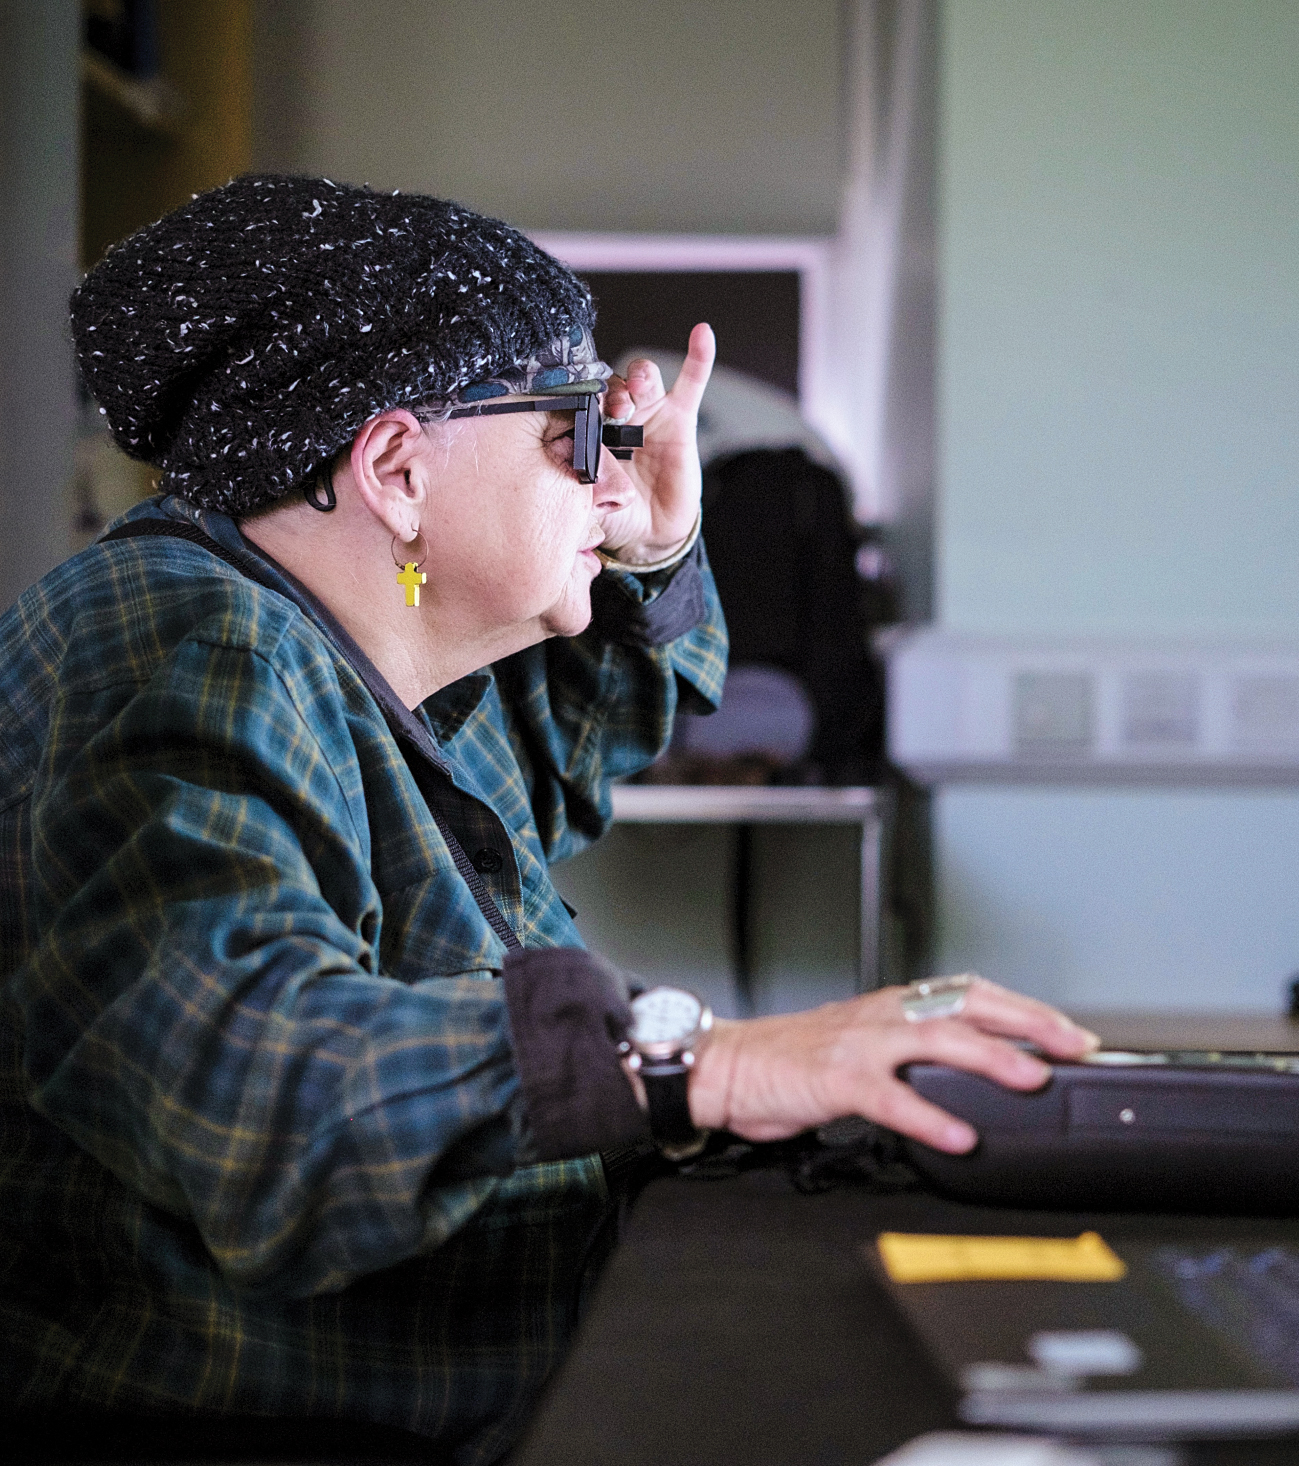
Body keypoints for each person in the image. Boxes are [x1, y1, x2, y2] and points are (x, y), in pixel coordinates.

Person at [0, 176, 1095, 1462]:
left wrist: (645, 551)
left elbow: (553, 754)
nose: (609, 464)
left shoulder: (337, 653)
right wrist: (704, 1063)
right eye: (573, 429)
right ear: (399, 470)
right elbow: (255, 1084)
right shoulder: (176, 637)